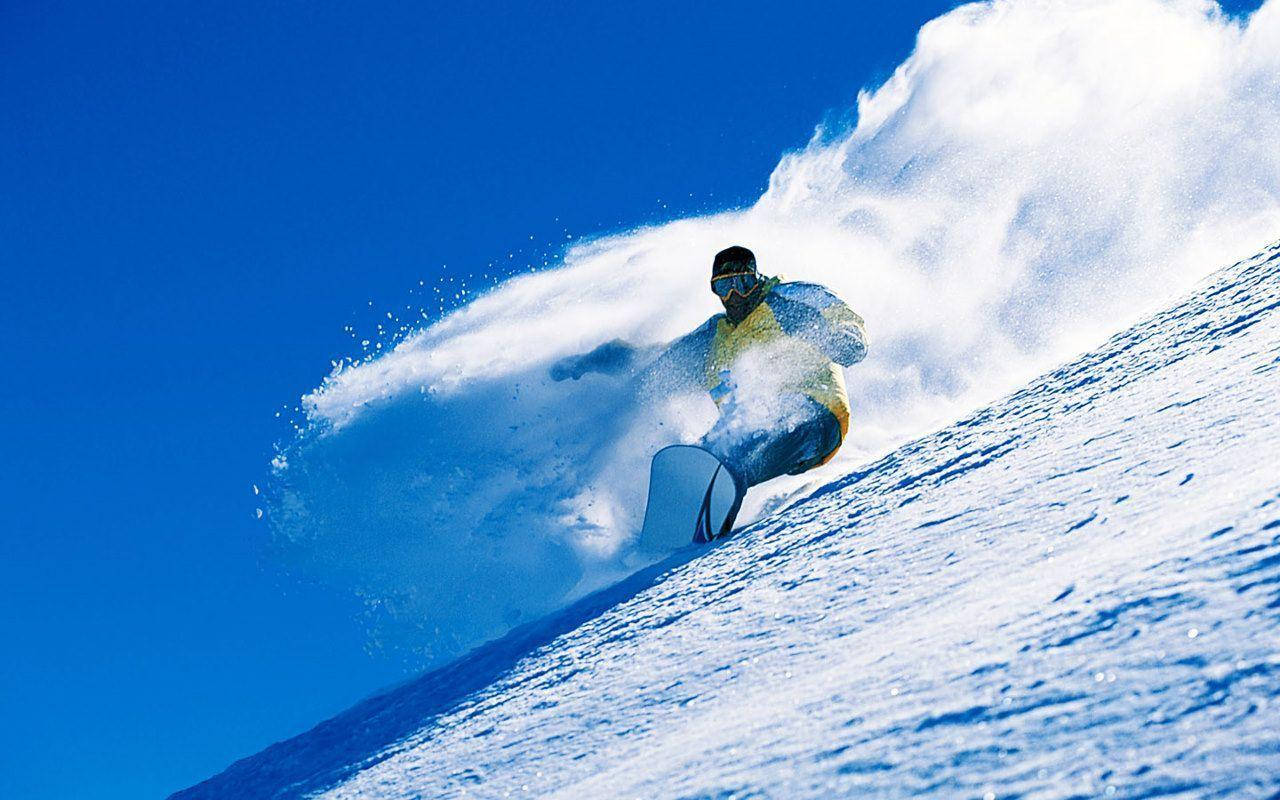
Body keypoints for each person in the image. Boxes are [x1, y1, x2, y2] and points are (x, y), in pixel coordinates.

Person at [551, 245, 867, 505]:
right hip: (746, 431)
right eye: (723, 288)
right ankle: (684, 524)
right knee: (705, 456)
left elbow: (838, 316)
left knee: (741, 448)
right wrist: (607, 358)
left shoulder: (785, 300)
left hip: (817, 416)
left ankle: (719, 485)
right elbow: (657, 369)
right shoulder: (714, 339)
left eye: (741, 284)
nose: (734, 297)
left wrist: (847, 338)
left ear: (755, 280)